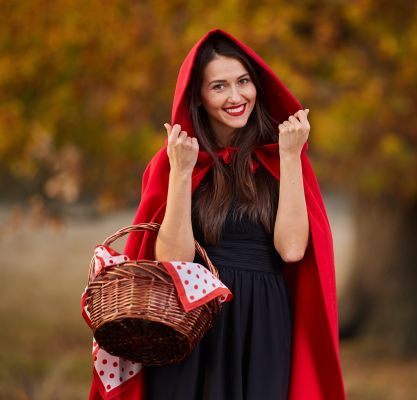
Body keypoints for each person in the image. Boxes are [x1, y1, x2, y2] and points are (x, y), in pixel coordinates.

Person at [87, 28, 345, 400]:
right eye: (219, 86)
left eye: (243, 82)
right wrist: (180, 172)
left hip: (263, 321)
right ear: (199, 97)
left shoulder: (279, 158)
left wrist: (291, 157)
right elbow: (172, 259)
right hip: (193, 324)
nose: (236, 96)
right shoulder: (175, 162)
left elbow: (291, 250)